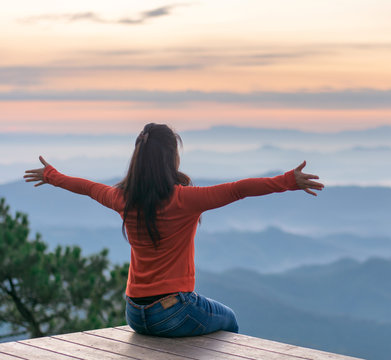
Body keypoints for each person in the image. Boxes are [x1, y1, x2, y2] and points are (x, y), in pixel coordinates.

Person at [23, 123, 324, 337]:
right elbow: (237, 190)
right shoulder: (183, 200)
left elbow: (89, 188)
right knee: (229, 320)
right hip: (172, 311)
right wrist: (287, 181)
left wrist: (52, 175)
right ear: (171, 159)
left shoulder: (123, 198)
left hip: (135, 315)